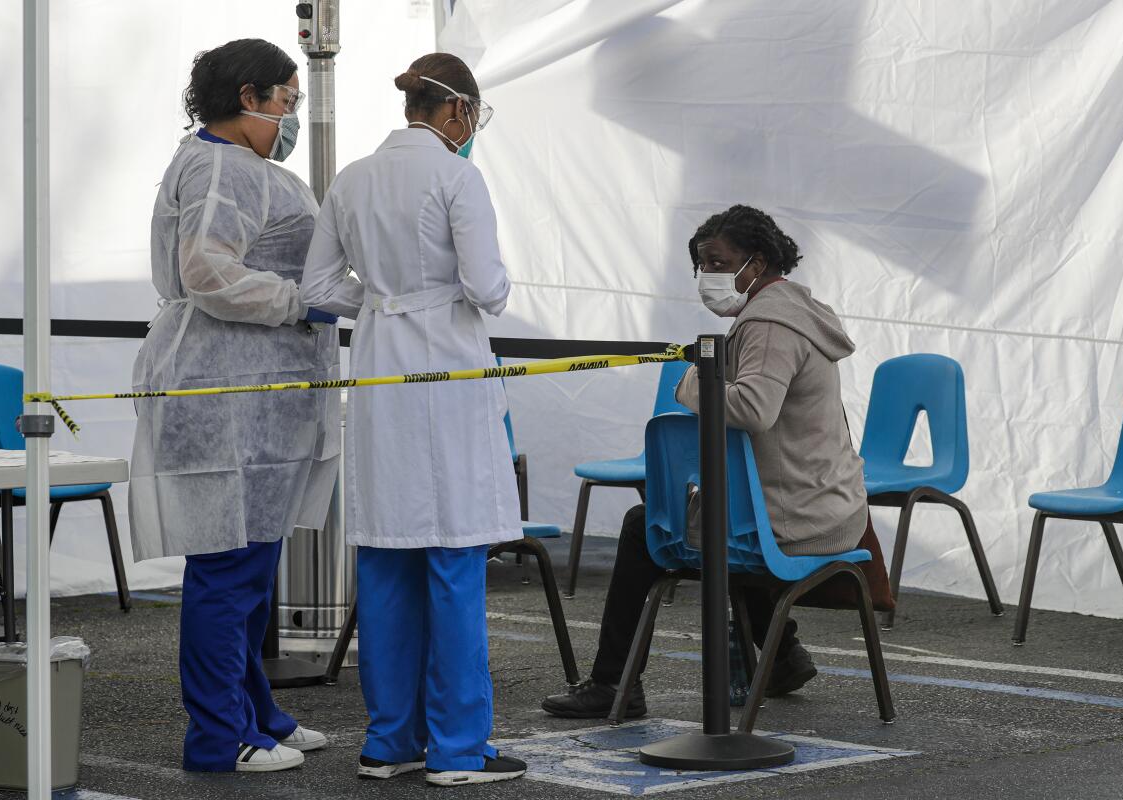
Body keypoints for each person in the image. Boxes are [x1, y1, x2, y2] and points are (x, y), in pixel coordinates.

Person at [542, 205, 869, 719]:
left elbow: (752, 410)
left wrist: (691, 380)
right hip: (817, 499)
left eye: (718, 263)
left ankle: (613, 685)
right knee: (712, 517)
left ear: (756, 262)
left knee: (645, 525)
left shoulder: (769, 324)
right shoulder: (792, 309)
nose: (707, 276)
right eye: (701, 265)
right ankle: (782, 655)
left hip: (799, 513)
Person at [300, 53, 527, 786]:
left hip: (378, 364)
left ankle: (390, 741)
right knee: (455, 560)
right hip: (446, 367)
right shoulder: (458, 177)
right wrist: (430, 294)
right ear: (457, 111)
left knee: (388, 555)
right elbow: (486, 287)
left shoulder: (351, 178)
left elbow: (317, 285)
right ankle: (460, 749)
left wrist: (381, 297)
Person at [128, 39, 339, 773]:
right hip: (225, 392)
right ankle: (220, 738)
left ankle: (258, 716)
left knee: (249, 564)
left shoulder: (234, 164)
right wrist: (300, 303)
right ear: (248, 97)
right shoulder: (221, 165)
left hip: (253, 393)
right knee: (228, 569)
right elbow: (207, 269)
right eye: (287, 98)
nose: (291, 114)